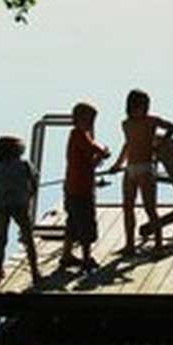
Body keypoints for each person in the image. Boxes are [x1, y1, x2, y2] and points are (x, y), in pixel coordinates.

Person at [108, 89, 173, 256]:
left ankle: (159, 245)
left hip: (146, 168)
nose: (143, 109)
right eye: (140, 106)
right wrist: (117, 164)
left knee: (149, 207)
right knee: (127, 207)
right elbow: (127, 145)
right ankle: (129, 244)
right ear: (132, 107)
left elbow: (172, 127)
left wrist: (160, 144)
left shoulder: (152, 121)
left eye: (146, 106)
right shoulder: (126, 124)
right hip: (130, 168)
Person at [60, 100, 109, 271]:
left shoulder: (79, 135)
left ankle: (66, 255)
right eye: (90, 119)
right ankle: (87, 258)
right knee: (86, 223)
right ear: (79, 118)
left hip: (73, 186)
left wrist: (98, 158)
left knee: (72, 222)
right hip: (81, 189)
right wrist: (104, 151)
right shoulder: (79, 135)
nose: (92, 123)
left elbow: (90, 162)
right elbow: (96, 149)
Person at [0, 134, 41, 287]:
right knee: (28, 239)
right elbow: (34, 181)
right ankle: (35, 272)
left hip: (3, 207)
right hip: (21, 206)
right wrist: (30, 195)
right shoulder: (24, 164)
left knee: (2, 239)